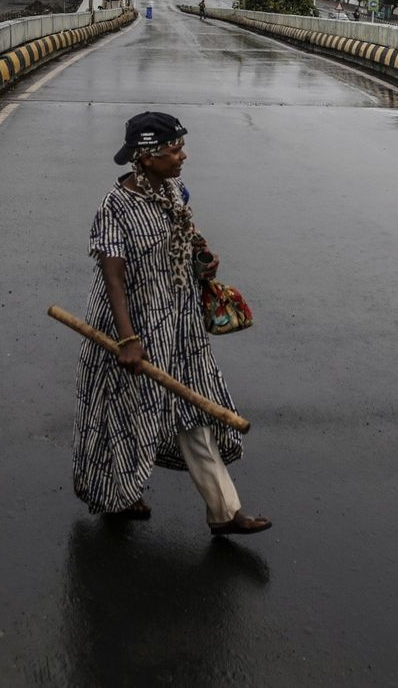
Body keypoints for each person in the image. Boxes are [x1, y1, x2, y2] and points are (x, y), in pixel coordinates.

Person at [72, 111, 271, 536]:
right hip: (131, 329)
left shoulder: (175, 190)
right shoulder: (116, 207)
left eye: (180, 146)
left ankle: (225, 512)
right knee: (127, 418)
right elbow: (113, 276)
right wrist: (127, 338)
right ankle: (117, 496)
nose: (183, 155)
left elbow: (185, 238)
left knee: (192, 406)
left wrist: (203, 263)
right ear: (145, 156)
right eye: (173, 149)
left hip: (178, 325)